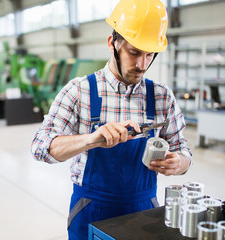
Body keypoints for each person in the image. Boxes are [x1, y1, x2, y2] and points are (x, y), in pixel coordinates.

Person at [30, 0, 192, 239]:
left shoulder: (161, 96)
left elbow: (184, 152)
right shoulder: (79, 91)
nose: (141, 64)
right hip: (91, 210)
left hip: (144, 211)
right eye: (134, 52)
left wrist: (179, 163)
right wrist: (90, 139)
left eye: (150, 55)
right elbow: (41, 147)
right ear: (112, 43)